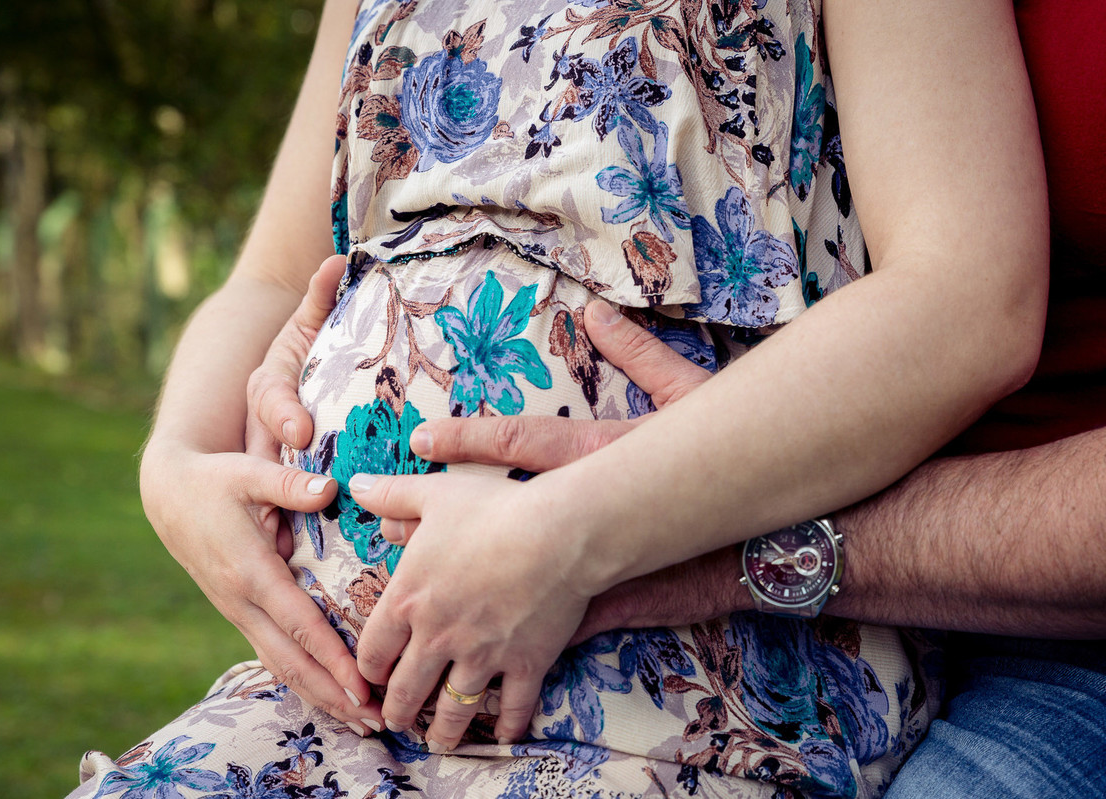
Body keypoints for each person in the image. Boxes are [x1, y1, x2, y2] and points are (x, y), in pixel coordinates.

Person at [92, 0, 1045, 797]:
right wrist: (174, 463)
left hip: (691, 700)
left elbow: (968, 299)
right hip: (334, 695)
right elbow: (271, 273)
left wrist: (567, 530)